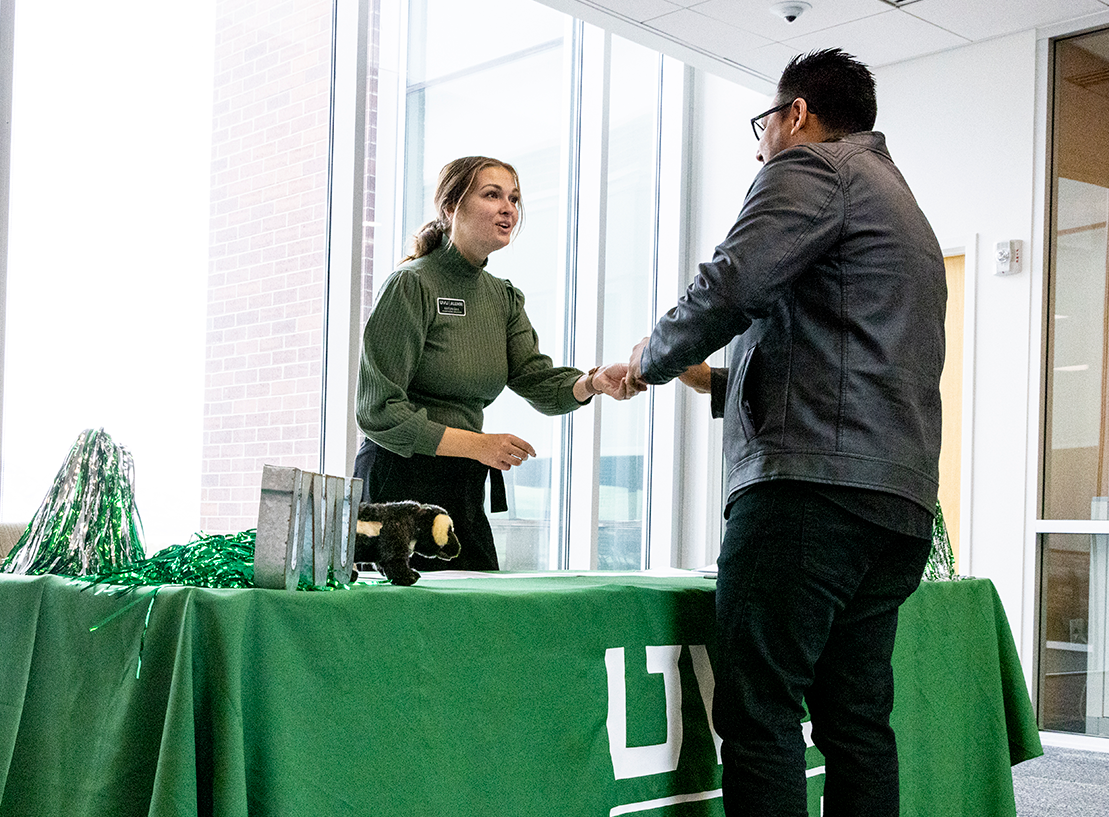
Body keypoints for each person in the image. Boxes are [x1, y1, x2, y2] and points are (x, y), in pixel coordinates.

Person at [626, 49, 945, 817]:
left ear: (795, 113)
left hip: (810, 498)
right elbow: (844, 352)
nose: (761, 141)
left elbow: (732, 282)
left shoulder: (813, 170)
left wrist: (651, 359)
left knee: (761, 713)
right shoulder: (903, 207)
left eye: (764, 123)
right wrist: (722, 380)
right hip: (893, 504)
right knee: (856, 723)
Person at [356, 155, 631, 572]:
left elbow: (535, 378)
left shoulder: (503, 297)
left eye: (514, 198)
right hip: (398, 482)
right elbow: (378, 412)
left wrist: (592, 382)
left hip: (463, 478)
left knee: (476, 620)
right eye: (492, 195)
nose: (509, 209)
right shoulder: (411, 284)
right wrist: (480, 445)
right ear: (451, 208)